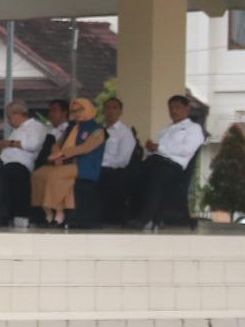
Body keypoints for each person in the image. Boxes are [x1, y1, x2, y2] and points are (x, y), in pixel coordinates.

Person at [34, 99, 104, 228]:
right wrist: (56, 154)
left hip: (84, 166)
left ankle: (59, 211)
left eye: (80, 110)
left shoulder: (97, 129)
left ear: (89, 109)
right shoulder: (72, 127)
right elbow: (57, 143)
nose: (77, 113)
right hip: (65, 163)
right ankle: (47, 210)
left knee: (55, 175)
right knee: (39, 173)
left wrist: (62, 154)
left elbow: (85, 147)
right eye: (74, 111)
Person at [145, 95, 206, 228]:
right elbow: (158, 150)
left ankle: (149, 217)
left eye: (177, 107)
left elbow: (186, 150)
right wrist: (150, 149)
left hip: (174, 166)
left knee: (156, 175)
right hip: (158, 161)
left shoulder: (193, 129)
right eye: (171, 108)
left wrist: (159, 148)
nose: (174, 111)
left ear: (187, 109)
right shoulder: (166, 130)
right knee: (134, 173)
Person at [0, 101, 46, 226]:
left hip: (21, 164)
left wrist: (9, 143)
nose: (8, 121)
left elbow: (33, 145)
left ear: (17, 114)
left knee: (10, 173)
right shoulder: (17, 130)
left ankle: (15, 215)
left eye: (9, 117)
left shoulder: (35, 126)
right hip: (5, 162)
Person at [96, 96, 142, 228]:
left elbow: (123, 160)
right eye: (107, 108)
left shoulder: (125, 133)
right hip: (96, 166)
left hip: (113, 170)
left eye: (114, 108)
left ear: (121, 112)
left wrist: (101, 162)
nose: (110, 111)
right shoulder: (98, 130)